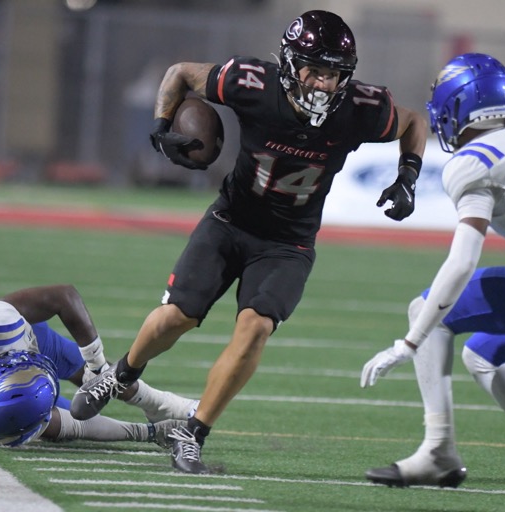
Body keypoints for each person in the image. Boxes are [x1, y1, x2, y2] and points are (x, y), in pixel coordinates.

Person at [71, 10, 427, 474]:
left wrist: (408, 177)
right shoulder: (252, 83)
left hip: (289, 242)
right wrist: (160, 129)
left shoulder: (362, 107)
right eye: (315, 70)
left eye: (334, 73)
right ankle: (121, 375)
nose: (323, 83)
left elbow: (414, 122)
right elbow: (179, 73)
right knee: (176, 318)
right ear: (290, 62)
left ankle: (191, 431)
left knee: (255, 326)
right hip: (230, 220)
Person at [359, 52, 505, 512]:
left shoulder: (472, 161)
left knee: (426, 310)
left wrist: (409, 342)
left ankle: (438, 452)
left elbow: (462, 262)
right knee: (481, 353)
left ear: (456, 107)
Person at [0, 284, 198, 447]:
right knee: (57, 422)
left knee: (85, 370)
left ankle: (157, 402)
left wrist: (98, 369)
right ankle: (152, 426)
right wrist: (145, 434)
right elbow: (64, 425)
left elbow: (63, 296)